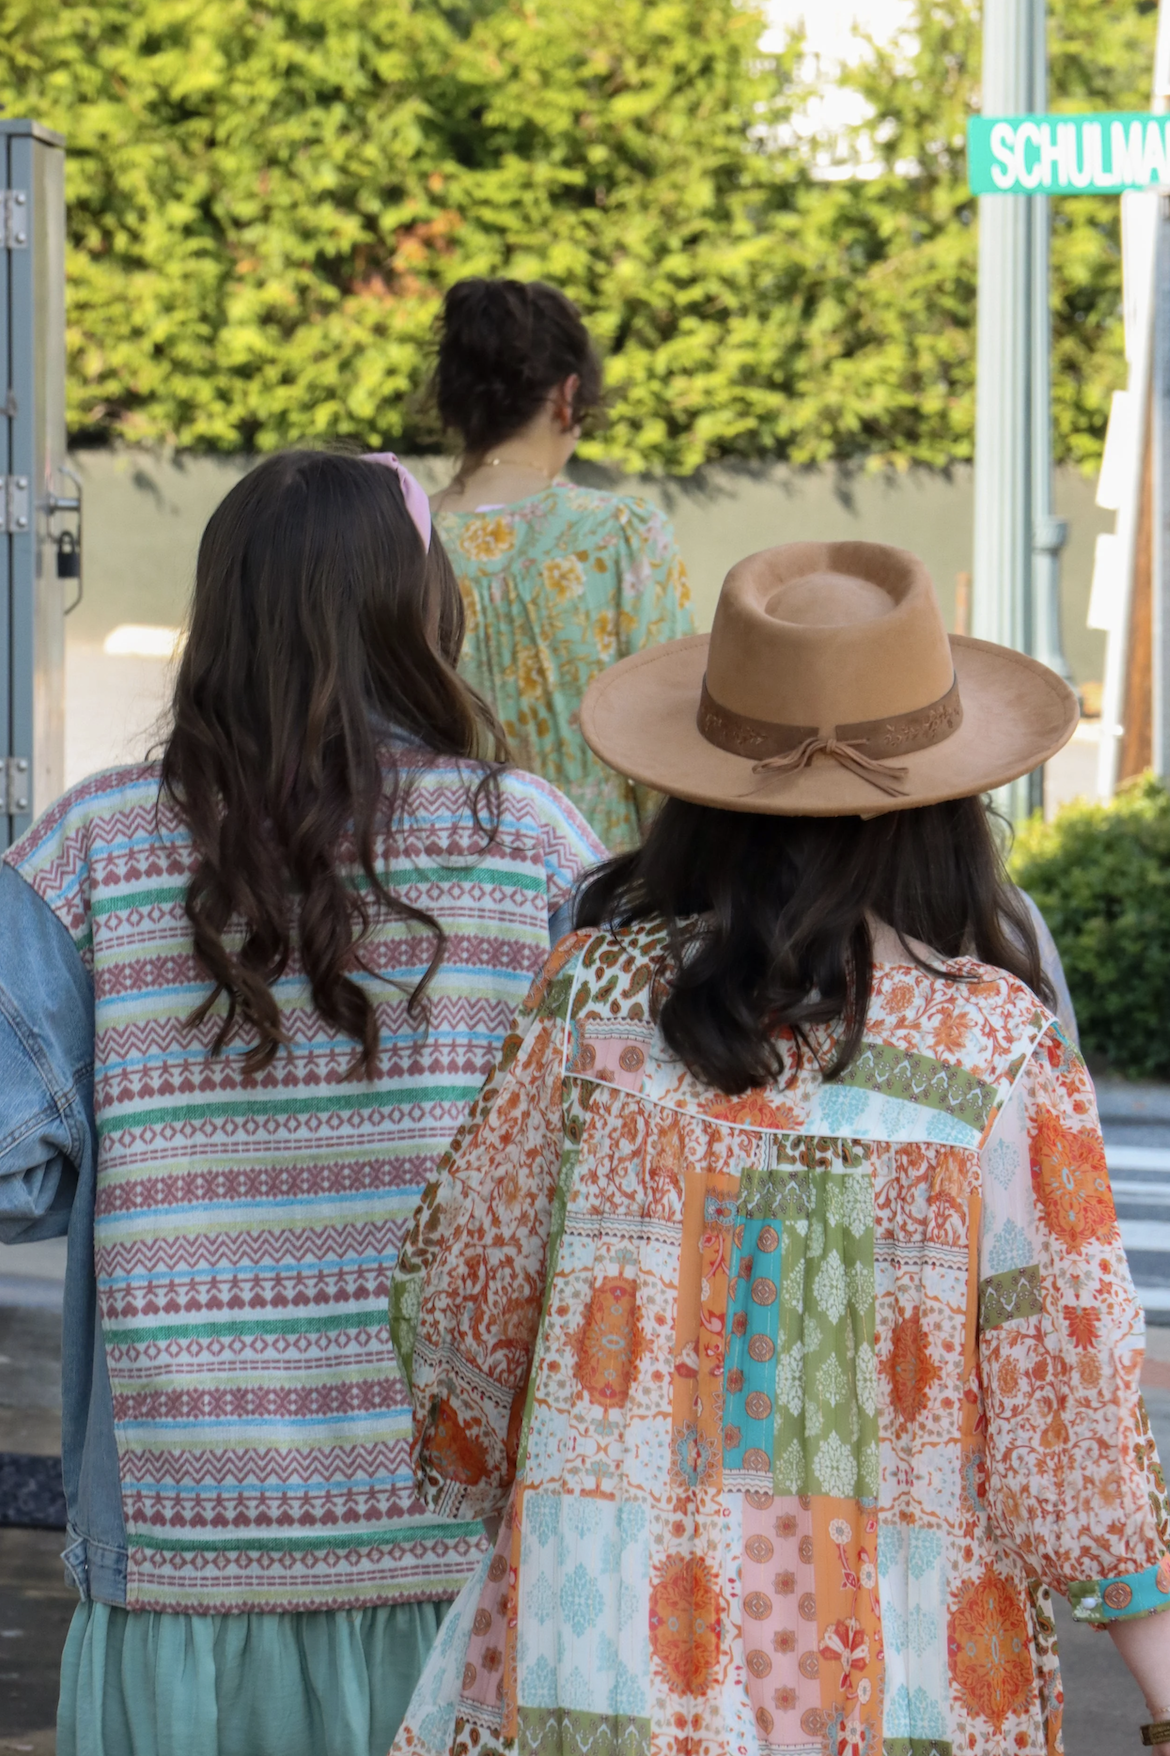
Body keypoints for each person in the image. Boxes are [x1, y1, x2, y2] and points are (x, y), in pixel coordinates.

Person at [389, 541, 1170, 1756]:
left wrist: (545, 1458)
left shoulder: (585, 1003)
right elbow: (1073, 1422)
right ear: (950, 804)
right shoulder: (995, 1054)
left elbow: (463, 1313)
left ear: (701, 786)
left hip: (596, 1677)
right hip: (907, 1689)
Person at [0, 450, 605, 1756]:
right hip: (466, 1571)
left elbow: (11, 1171)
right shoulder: (538, 848)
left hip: (183, 1568)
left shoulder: (91, 850)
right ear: (422, 616)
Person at [430, 276, 694, 852]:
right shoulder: (624, 537)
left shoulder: (399, 540)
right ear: (568, 395)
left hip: (444, 901)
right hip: (597, 900)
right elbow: (667, 745)